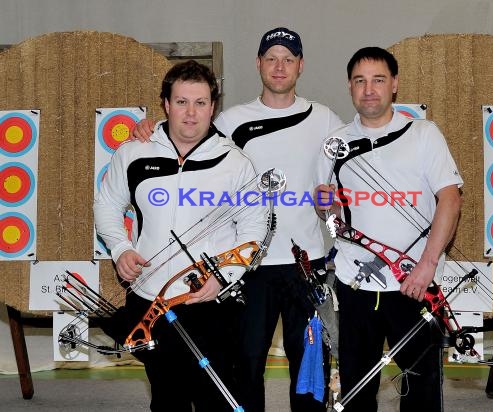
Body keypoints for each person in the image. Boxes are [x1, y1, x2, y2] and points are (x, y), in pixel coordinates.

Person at [131, 27, 344, 412]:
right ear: (258, 64)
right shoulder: (229, 120)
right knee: (244, 367)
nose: (279, 67)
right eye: (271, 58)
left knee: (309, 365)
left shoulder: (326, 119)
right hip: (247, 266)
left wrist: (333, 202)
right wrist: (147, 129)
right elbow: (183, 132)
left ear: (301, 66)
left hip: (306, 263)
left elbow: (350, 171)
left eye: (288, 59)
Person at [94, 59, 268, 412]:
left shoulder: (235, 162)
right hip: (149, 299)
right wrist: (120, 248)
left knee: (215, 398)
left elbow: (254, 230)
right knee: (166, 396)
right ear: (166, 104)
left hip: (211, 302)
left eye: (200, 103)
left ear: (213, 106)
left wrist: (224, 277)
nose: (191, 113)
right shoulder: (133, 153)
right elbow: (107, 207)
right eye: (182, 102)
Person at [314, 47, 463, 412]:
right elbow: (333, 215)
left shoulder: (424, 134)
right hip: (355, 285)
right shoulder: (335, 143)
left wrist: (427, 266)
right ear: (349, 87)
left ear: (394, 85)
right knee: (357, 387)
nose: (369, 89)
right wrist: (325, 205)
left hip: (413, 286)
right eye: (360, 81)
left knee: (420, 387)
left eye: (378, 80)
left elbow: (451, 199)